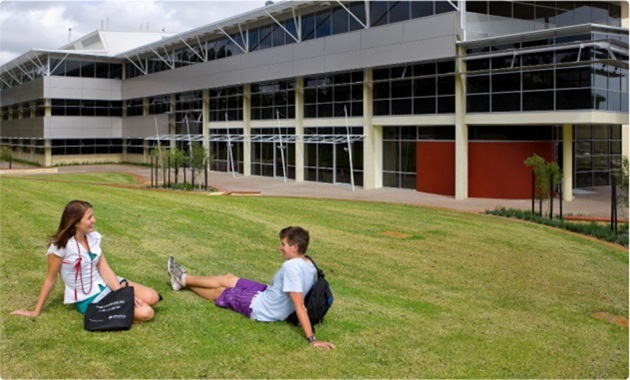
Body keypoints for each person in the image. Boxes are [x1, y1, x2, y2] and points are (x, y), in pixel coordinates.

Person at [167, 226, 335, 350]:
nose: (280, 247)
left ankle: (182, 282)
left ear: (294, 247)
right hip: (267, 291)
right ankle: (183, 278)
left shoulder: (291, 268)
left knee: (220, 292)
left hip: (263, 307)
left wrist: (312, 339)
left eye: (283, 244)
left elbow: (299, 304)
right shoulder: (309, 263)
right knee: (228, 278)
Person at [11, 200, 160, 323]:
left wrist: (123, 294)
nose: (93, 220)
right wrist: (36, 311)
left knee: (152, 297)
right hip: (89, 298)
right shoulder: (60, 246)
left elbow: (104, 269)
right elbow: (50, 279)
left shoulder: (92, 237)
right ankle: (127, 308)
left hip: (106, 284)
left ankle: (128, 304)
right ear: (75, 222)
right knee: (147, 313)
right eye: (89, 218)